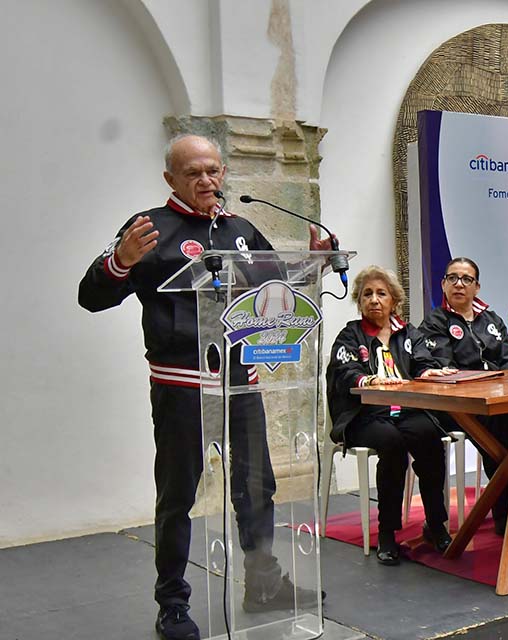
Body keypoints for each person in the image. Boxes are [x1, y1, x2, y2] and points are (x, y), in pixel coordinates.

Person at [78, 134, 325, 640]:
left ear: (224, 172)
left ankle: (262, 582)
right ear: (170, 178)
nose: (206, 180)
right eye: (193, 172)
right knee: (178, 495)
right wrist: (120, 261)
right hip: (182, 385)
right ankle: (172, 603)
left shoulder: (241, 229)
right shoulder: (149, 228)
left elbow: (274, 289)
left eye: (213, 169)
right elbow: (91, 296)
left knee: (257, 487)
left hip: (241, 382)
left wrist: (311, 264)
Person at [419, 257, 508, 537]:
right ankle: (507, 514)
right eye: (452, 278)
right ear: (443, 284)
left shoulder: (491, 319)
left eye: (466, 279)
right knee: (504, 431)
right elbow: (447, 370)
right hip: (459, 406)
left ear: (477, 287)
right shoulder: (434, 323)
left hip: (499, 400)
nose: (459, 284)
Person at [325, 266, 456, 565]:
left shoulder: (409, 333)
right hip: (364, 415)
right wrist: (369, 380)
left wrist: (428, 371)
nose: (374, 300)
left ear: (394, 300)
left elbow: (423, 363)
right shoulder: (350, 335)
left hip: (406, 411)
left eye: (381, 294)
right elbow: (344, 372)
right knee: (392, 444)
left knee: (430, 437)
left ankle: (436, 524)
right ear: (359, 301)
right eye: (367, 294)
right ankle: (387, 532)